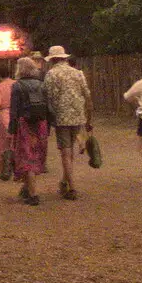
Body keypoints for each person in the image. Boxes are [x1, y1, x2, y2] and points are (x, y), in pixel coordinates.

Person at [42, 46, 94, 200]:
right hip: (78, 115)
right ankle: (64, 182)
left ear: (52, 59)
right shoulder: (78, 73)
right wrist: (89, 118)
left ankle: (72, 187)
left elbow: (47, 96)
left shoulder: (51, 74)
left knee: (66, 152)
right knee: (69, 151)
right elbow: (87, 95)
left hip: (61, 117)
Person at [8, 57, 51, 205]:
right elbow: (48, 107)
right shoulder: (42, 85)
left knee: (26, 157)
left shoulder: (17, 86)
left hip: (24, 124)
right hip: (41, 124)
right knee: (37, 155)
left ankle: (33, 194)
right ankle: (27, 188)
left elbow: (14, 111)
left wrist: (11, 131)